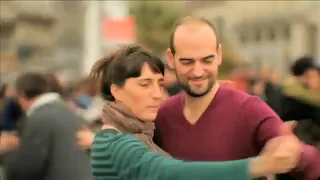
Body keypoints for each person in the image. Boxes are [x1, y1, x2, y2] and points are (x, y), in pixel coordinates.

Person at [84, 44, 302, 180]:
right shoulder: (119, 144)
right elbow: (173, 174)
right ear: (116, 90)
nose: (157, 94)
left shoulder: (124, 135)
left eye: (159, 84)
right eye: (144, 84)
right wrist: (260, 164)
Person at [154, 16, 320, 180]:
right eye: (187, 62)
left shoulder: (250, 109)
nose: (198, 71)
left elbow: (311, 163)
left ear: (219, 55)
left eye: (207, 60)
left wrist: (295, 153)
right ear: (171, 59)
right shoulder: (161, 116)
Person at [3, 72, 92, 180]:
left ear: (21, 96)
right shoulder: (73, 113)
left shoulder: (38, 118)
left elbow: (26, 169)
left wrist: (5, 152)